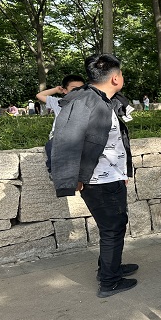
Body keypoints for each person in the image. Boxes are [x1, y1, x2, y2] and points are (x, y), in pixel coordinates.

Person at [50, 55, 138, 298]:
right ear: (115, 78)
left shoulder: (99, 100)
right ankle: (109, 281)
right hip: (100, 180)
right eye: (121, 74)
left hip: (111, 177)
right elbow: (67, 141)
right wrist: (75, 177)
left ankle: (110, 267)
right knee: (112, 228)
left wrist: (122, 172)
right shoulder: (86, 103)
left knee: (114, 225)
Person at [36, 74, 86, 173]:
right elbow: (39, 95)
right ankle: (53, 171)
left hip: (79, 137)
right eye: (74, 89)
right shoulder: (58, 102)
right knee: (51, 147)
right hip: (58, 137)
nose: (78, 91)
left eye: (81, 89)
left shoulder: (87, 104)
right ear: (65, 91)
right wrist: (56, 90)